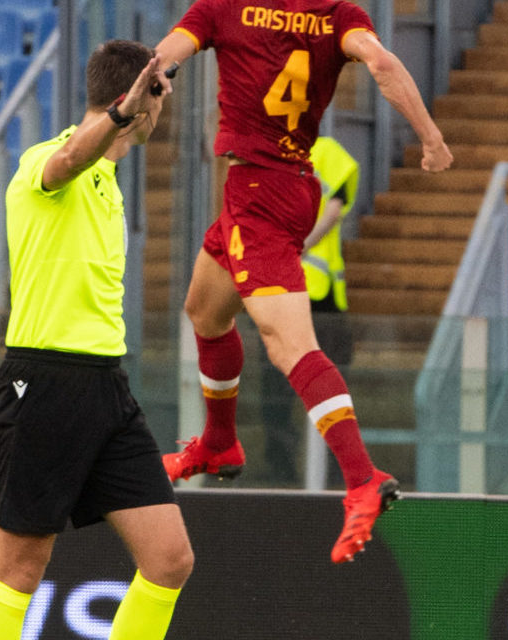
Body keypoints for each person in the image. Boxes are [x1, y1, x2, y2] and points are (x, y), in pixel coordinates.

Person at [153, 0, 453, 564]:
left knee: (290, 346)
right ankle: (219, 442)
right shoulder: (338, 15)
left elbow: (168, 52)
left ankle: (363, 478)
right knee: (205, 311)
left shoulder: (223, 8)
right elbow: (384, 64)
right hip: (282, 185)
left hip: (259, 193)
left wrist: (147, 79)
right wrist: (430, 137)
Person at [0, 40, 194, 640]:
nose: (164, 108)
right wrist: (120, 114)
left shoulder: (111, 181)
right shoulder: (50, 160)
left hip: (105, 384)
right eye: (161, 95)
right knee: (20, 567)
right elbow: (66, 160)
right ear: (138, 98)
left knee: (170, 559)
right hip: (43, 380)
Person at [259, 136, 359, 485]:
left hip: (304, 297)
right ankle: (303, 475)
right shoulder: (275, 151)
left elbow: (333, 210)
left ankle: (315, 475)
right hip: (291, 295)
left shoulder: (319, 151)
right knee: (293, 393)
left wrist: (294, 246)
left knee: (300, 391)